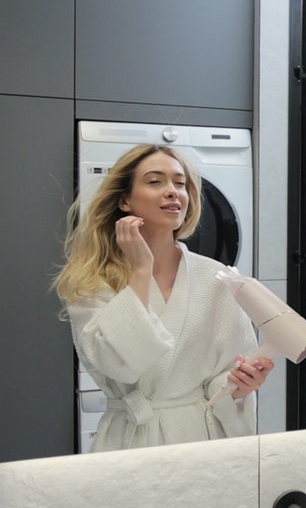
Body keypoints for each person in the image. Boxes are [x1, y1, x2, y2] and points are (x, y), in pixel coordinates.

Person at [53, 144, 274, 452]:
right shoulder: (92, 281)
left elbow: (223, 378)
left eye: (180, 183)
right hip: (129, 441)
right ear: (125, 200)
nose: (173, 191)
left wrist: (238, 385)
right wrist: (140, 271)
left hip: (198, 439)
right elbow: (120, 366)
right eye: (155, 181)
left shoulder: (216, 277)